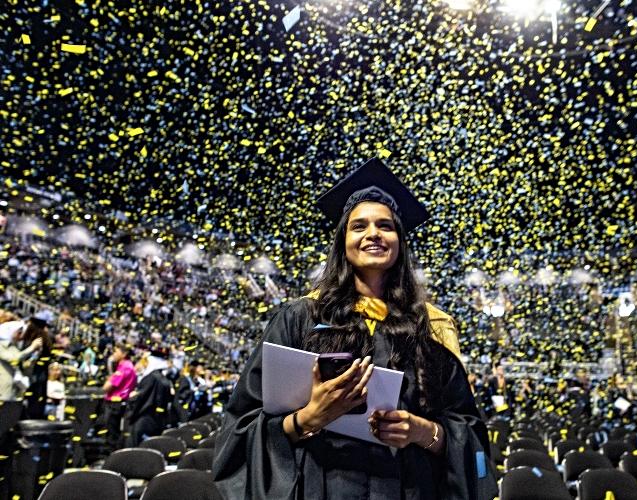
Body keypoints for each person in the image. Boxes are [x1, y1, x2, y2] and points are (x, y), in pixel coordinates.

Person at [214, 158, 496, 499]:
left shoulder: (431, 328)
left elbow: (471, 437)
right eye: (359, 226)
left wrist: (424, 432)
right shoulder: (299, 318)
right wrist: (307, 419)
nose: (373, 233)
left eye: (385, 226)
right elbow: (240, 429)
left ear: (400, 242)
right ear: (343, 241)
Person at [126, 349, 174, 446]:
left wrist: (132, 397)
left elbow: (140, 398)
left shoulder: (151, 378)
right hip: (159, 420)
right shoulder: (165, 380)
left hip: (145, 418)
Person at [103, 344, 137, 449]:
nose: (113, 354)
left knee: (112, 434)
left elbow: (107, 387)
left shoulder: (124, 367)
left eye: (115, 351)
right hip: (118, 404)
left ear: (124, 354)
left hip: (115, 405)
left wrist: (109, 378)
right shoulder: (127, 366)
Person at [0, 320, 43, 400]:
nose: (22, 336)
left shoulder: (14, 347)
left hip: (13, 390)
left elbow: (19, 364)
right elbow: (13, 358)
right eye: (19, 332)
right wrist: (32, 347)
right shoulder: (1, 346)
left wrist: (33, 357)